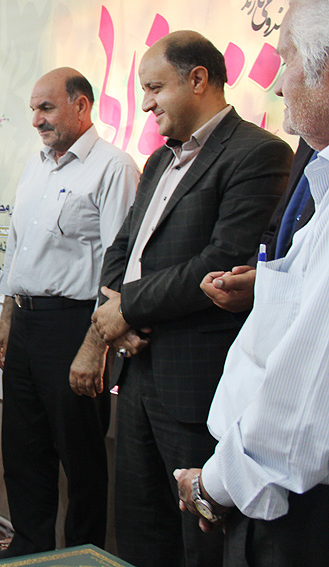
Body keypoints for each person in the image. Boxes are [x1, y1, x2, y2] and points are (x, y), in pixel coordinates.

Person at [70, 31, 292, 567]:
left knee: (200, 542)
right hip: (137, 374)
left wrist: (128, 308)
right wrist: (114, 315)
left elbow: (221, 261)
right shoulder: (156, 162)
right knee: (140, 528)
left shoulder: (258, 153)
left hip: (196, 384)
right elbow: (123, 247)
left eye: (154, 88)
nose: (145, 103)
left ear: (197, 79)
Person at [174, 2, 329, 564]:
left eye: (287, 60)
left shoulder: (256, 152)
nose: (279, 83)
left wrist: (214, 487)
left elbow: (303, 405)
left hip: (286, 502)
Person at [0, 68, 138, 562]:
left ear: (81, 106)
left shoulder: (113, 168)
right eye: (34, 109)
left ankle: (80, 556)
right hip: (26, 323)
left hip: (76, 327)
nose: (36, 120)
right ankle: (29, 548)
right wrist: (7, 320)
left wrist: (97, 346)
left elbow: (121, 263)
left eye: (46, 108)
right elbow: (17, 250)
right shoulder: (37, 167)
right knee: (24, 449)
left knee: (81, 459)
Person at [200, 138, 315, 312]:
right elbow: (281, 226)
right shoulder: (309, 143)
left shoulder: (262, 149)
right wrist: (257, 276)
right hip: (273, 312)